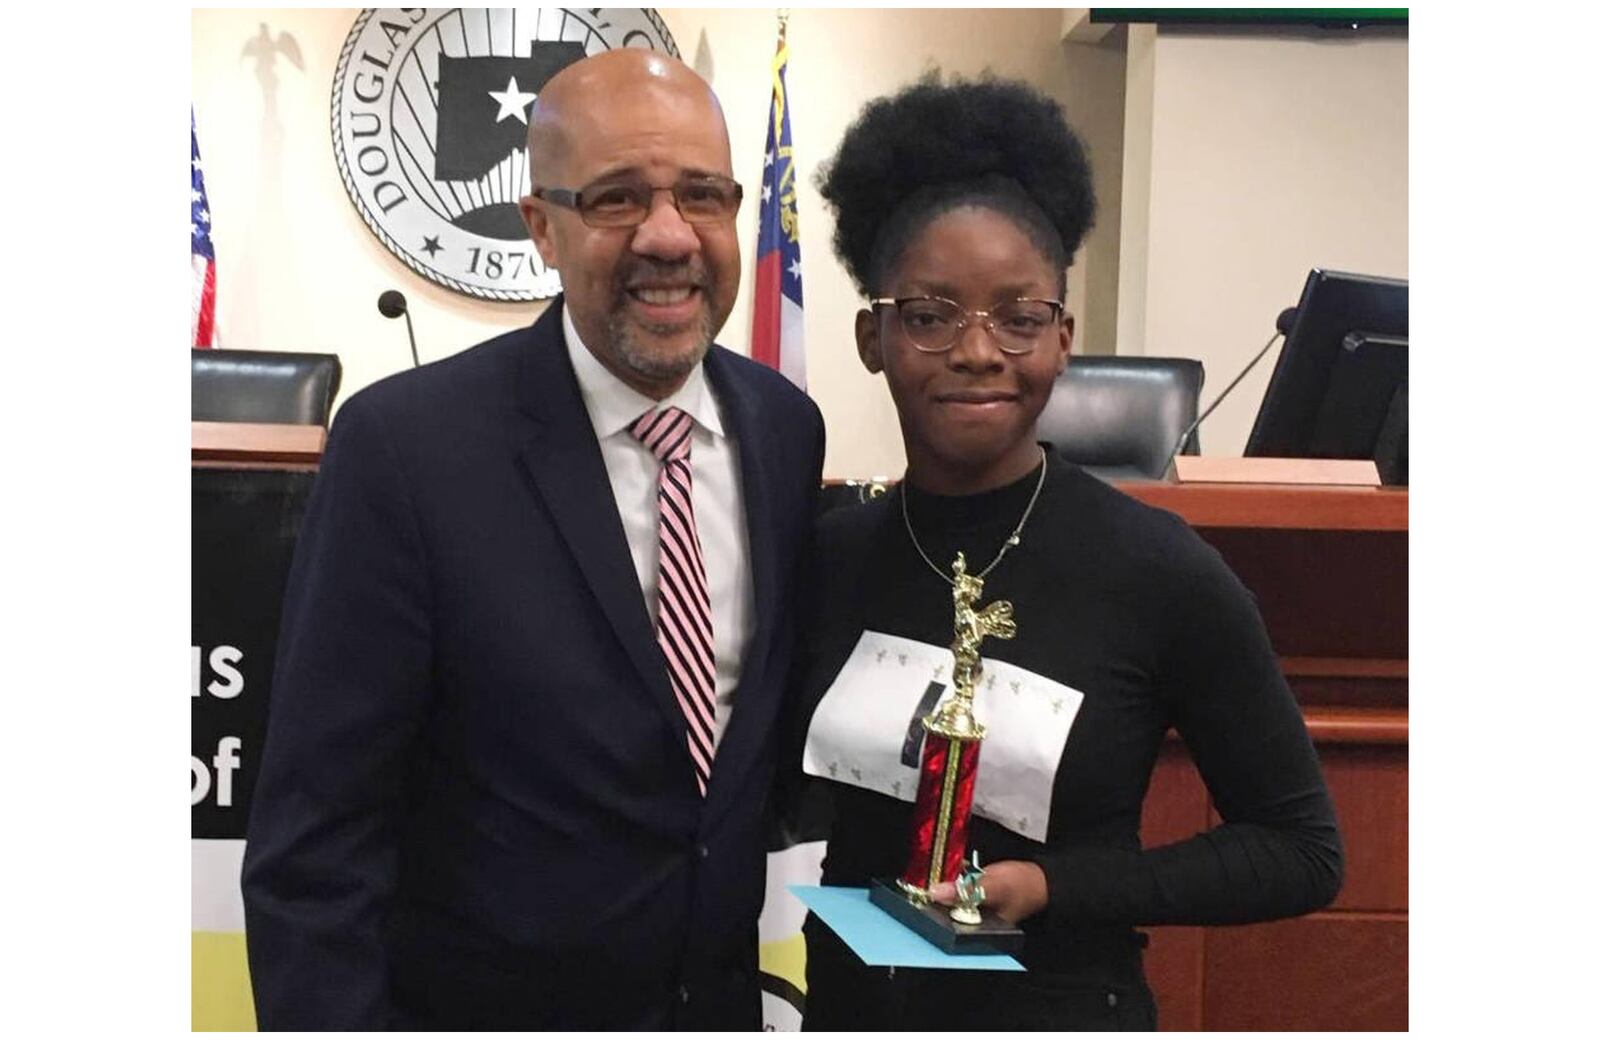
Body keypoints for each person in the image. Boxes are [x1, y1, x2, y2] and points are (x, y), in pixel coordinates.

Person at [242, 49, 825, 1030]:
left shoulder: (782, 427)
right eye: (615, 200)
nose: (669, 236)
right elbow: (317, 842)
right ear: (541, 228)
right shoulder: (406, 450)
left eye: (703, 195)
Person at [784, 77, 1342, 1031]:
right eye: (930, 314)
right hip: (851, 1013)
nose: (977, 350)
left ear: (1063, 341)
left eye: (1019, 316)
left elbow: (1299, 850)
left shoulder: (1158, 570)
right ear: (873, 337)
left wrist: (1054, 885)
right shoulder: (831, 555)